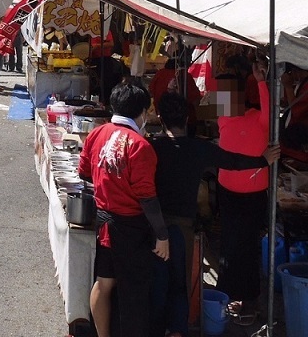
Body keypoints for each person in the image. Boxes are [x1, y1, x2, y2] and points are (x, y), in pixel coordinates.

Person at [149, 92, 279, 337]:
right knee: (180, 284)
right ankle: (177, 332)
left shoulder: (151, 146)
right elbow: (233, 161)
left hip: (154, 224)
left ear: (159, 117)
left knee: (156, 281)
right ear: (187, 118)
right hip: (183, 226)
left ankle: (155, 329)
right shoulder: (199, 148)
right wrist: (263, 161)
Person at [78, 82, 169, 337]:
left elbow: (84, 172)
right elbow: (147, 198)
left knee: (104, 283)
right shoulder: (140, 145)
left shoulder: (97, 133)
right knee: (134, 293)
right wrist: (162, 235)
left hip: (104, 222)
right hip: (130, 228)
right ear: (141, 111)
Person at [215, 61, 270, 322]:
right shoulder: (224, 117)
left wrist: (261, 82)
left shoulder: (257, 119)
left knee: (243, 248)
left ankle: (246, 301)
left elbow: (269, 110)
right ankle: (234, 297)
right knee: (233, 246)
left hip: (250, 195)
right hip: (230, 192)